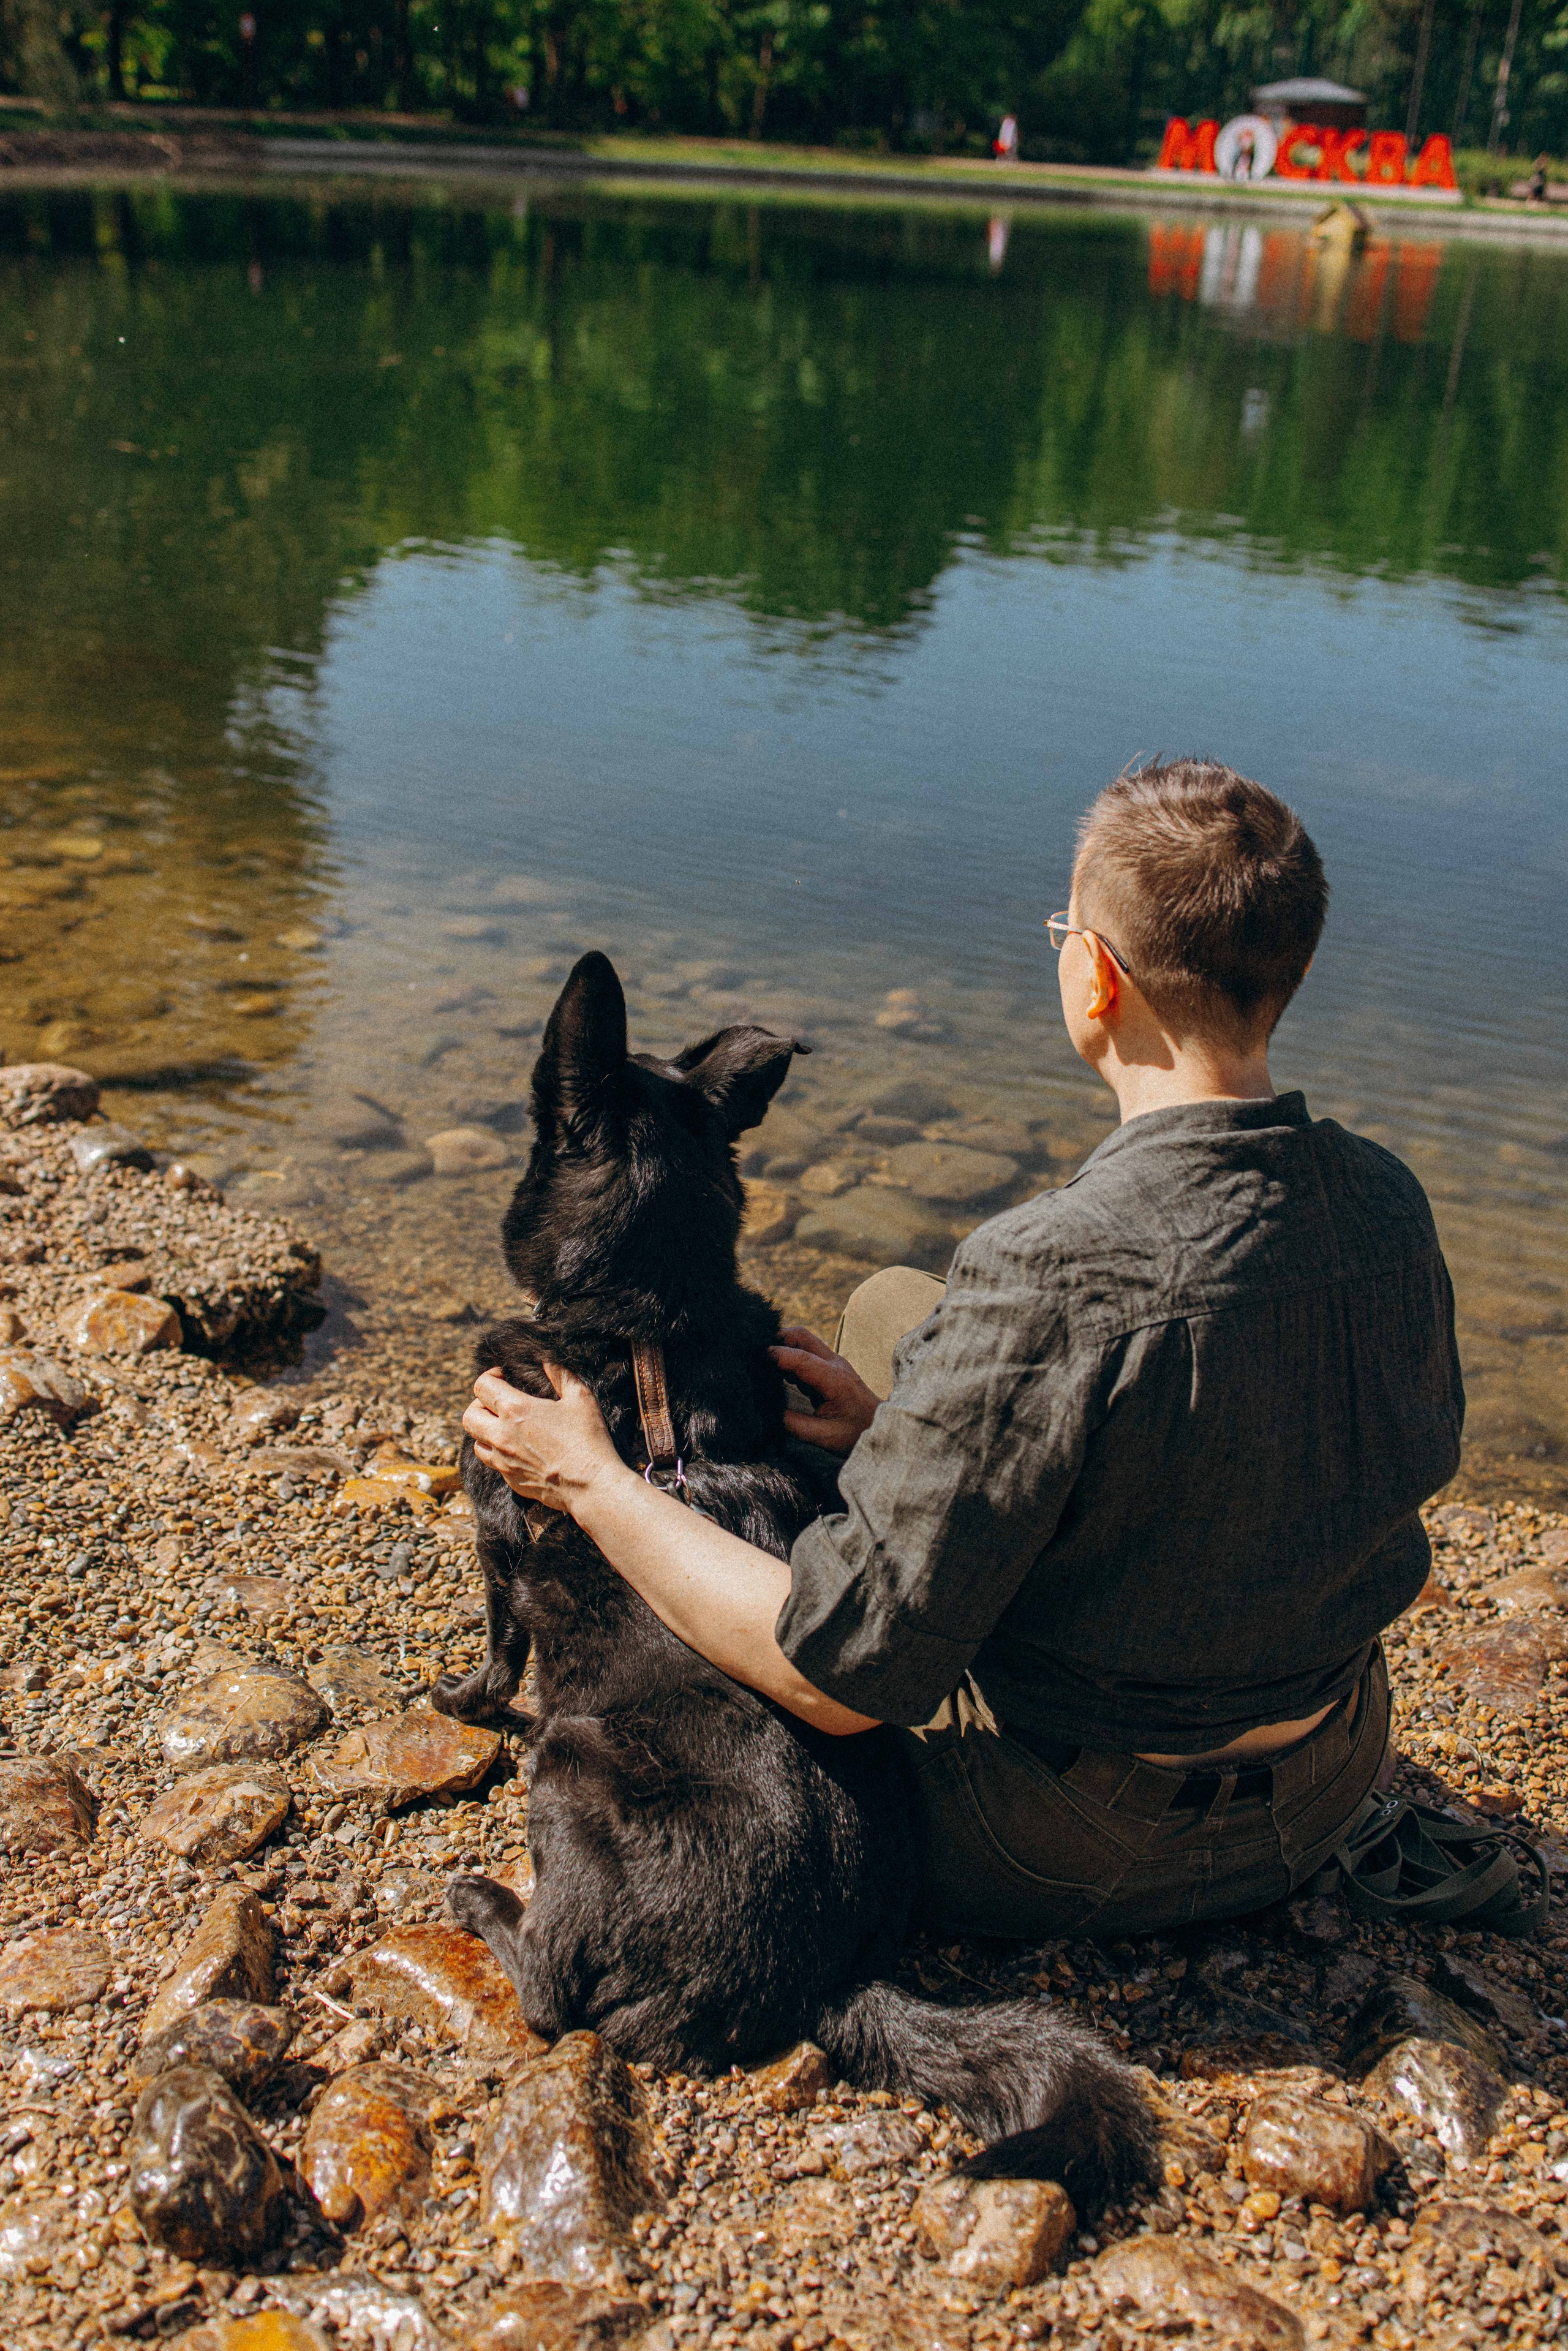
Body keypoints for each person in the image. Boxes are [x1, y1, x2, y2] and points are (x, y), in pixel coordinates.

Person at [464, 760, 1464, 1938]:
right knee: (897, 1304)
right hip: (1334, 1770)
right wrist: (900, 1432)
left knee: (808, 1704)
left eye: (1063, 929)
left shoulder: (1047, 1266)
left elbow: (826, 1680)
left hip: (1078, 1842)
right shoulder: (1389, 1202)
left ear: (1094, 976)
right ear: (1287, 976)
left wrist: (591, 1475)